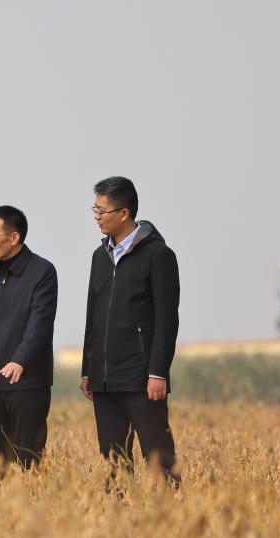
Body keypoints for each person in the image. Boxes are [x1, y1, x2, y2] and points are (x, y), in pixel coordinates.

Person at [79, 177, 181, 487]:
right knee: (113, 460)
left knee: (159, 455)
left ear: (124, 213)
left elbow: (167, 320)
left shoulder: (158, 256)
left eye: (102, 211)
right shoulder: (99, 257)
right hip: (104, 379)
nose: (97, 217)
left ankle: (173, 510)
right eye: (95, 210)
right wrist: (87, 369)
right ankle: (118, 513)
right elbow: (93, 317)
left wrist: (158, 372)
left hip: (142, 378)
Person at [0, 205, 58, 476]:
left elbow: (40, 325)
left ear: (14, 238)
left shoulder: (42, 272)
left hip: (27, 382)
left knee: (28, 464)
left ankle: (31, 502)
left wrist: (20, 360)